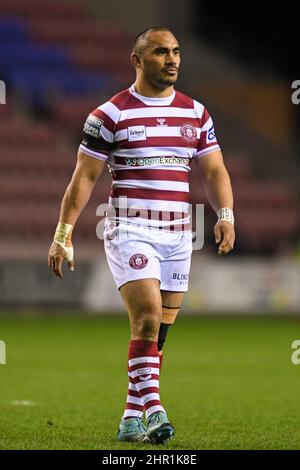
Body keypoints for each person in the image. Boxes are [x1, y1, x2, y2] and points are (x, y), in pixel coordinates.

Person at [48, 26, 235, 444]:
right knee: (147, 317)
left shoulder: (196, 113)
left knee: (158, 337)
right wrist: (64, 233)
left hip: (178, 235)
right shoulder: (109, 115)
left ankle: (131, 417)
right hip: (130, 228)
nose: (171, 60)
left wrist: (226, 214)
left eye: (176, 52)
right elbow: (84, 178)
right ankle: (155, 411)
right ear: (137, 60)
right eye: (160, 52)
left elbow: (215, 170)